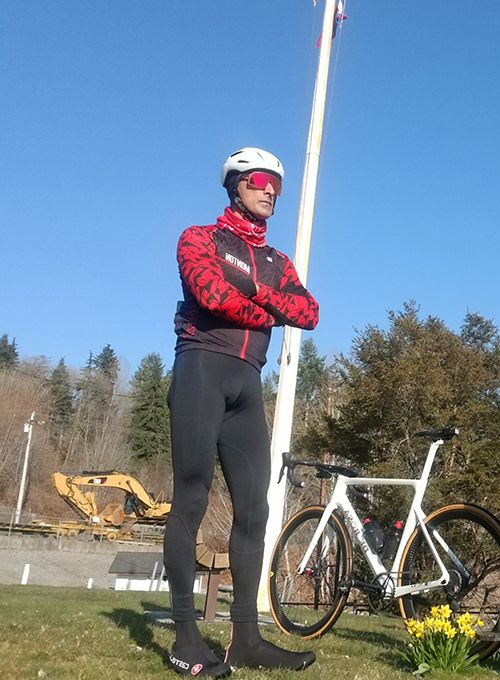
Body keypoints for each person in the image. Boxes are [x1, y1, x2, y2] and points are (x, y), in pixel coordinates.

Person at [164, 147, 319, 676]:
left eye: (277, 183)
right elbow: (207, 292)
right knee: (190, 497)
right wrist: (269, 303)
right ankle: (185, 637)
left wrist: (254, 292)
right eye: (259, 180)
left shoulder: (278, 261)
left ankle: (247, 640)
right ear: (234, 186)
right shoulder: (199, 237)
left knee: (256, 511)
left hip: (248, 385)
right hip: (202, 369)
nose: (270, 189)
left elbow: (310, 312)